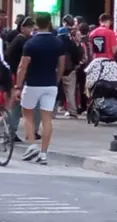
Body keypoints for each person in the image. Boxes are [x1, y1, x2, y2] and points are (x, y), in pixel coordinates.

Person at [15, 13, 65, 165]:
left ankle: (32, 145)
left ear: (36, 24)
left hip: (33, 83)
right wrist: (56, 80)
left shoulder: (30, 43)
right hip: (50, 84)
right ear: (49, 23)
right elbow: (61, 65)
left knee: (27, 114)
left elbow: (22, 67)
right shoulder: (58, 42)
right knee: (47, 119)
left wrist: (18, 85)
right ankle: (44, 153)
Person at [5, 17, 37, 141]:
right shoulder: (22, 41)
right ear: (22, 28)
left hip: (12, 75)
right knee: (16, 105)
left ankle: (10, 130)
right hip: (15, 76)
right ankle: (10, 131)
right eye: (30, 28)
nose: (32, 31)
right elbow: (22, 63)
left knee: (15, 105)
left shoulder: (19, 40)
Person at [57, 26, 82, 118]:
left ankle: (52, 111)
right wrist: (75, 65)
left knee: (56, 91)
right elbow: (77, 56)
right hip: (70, 70)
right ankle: (72, 111)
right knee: (70, 92)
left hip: (57, 70)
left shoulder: (56, 43)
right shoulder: (71, 44)